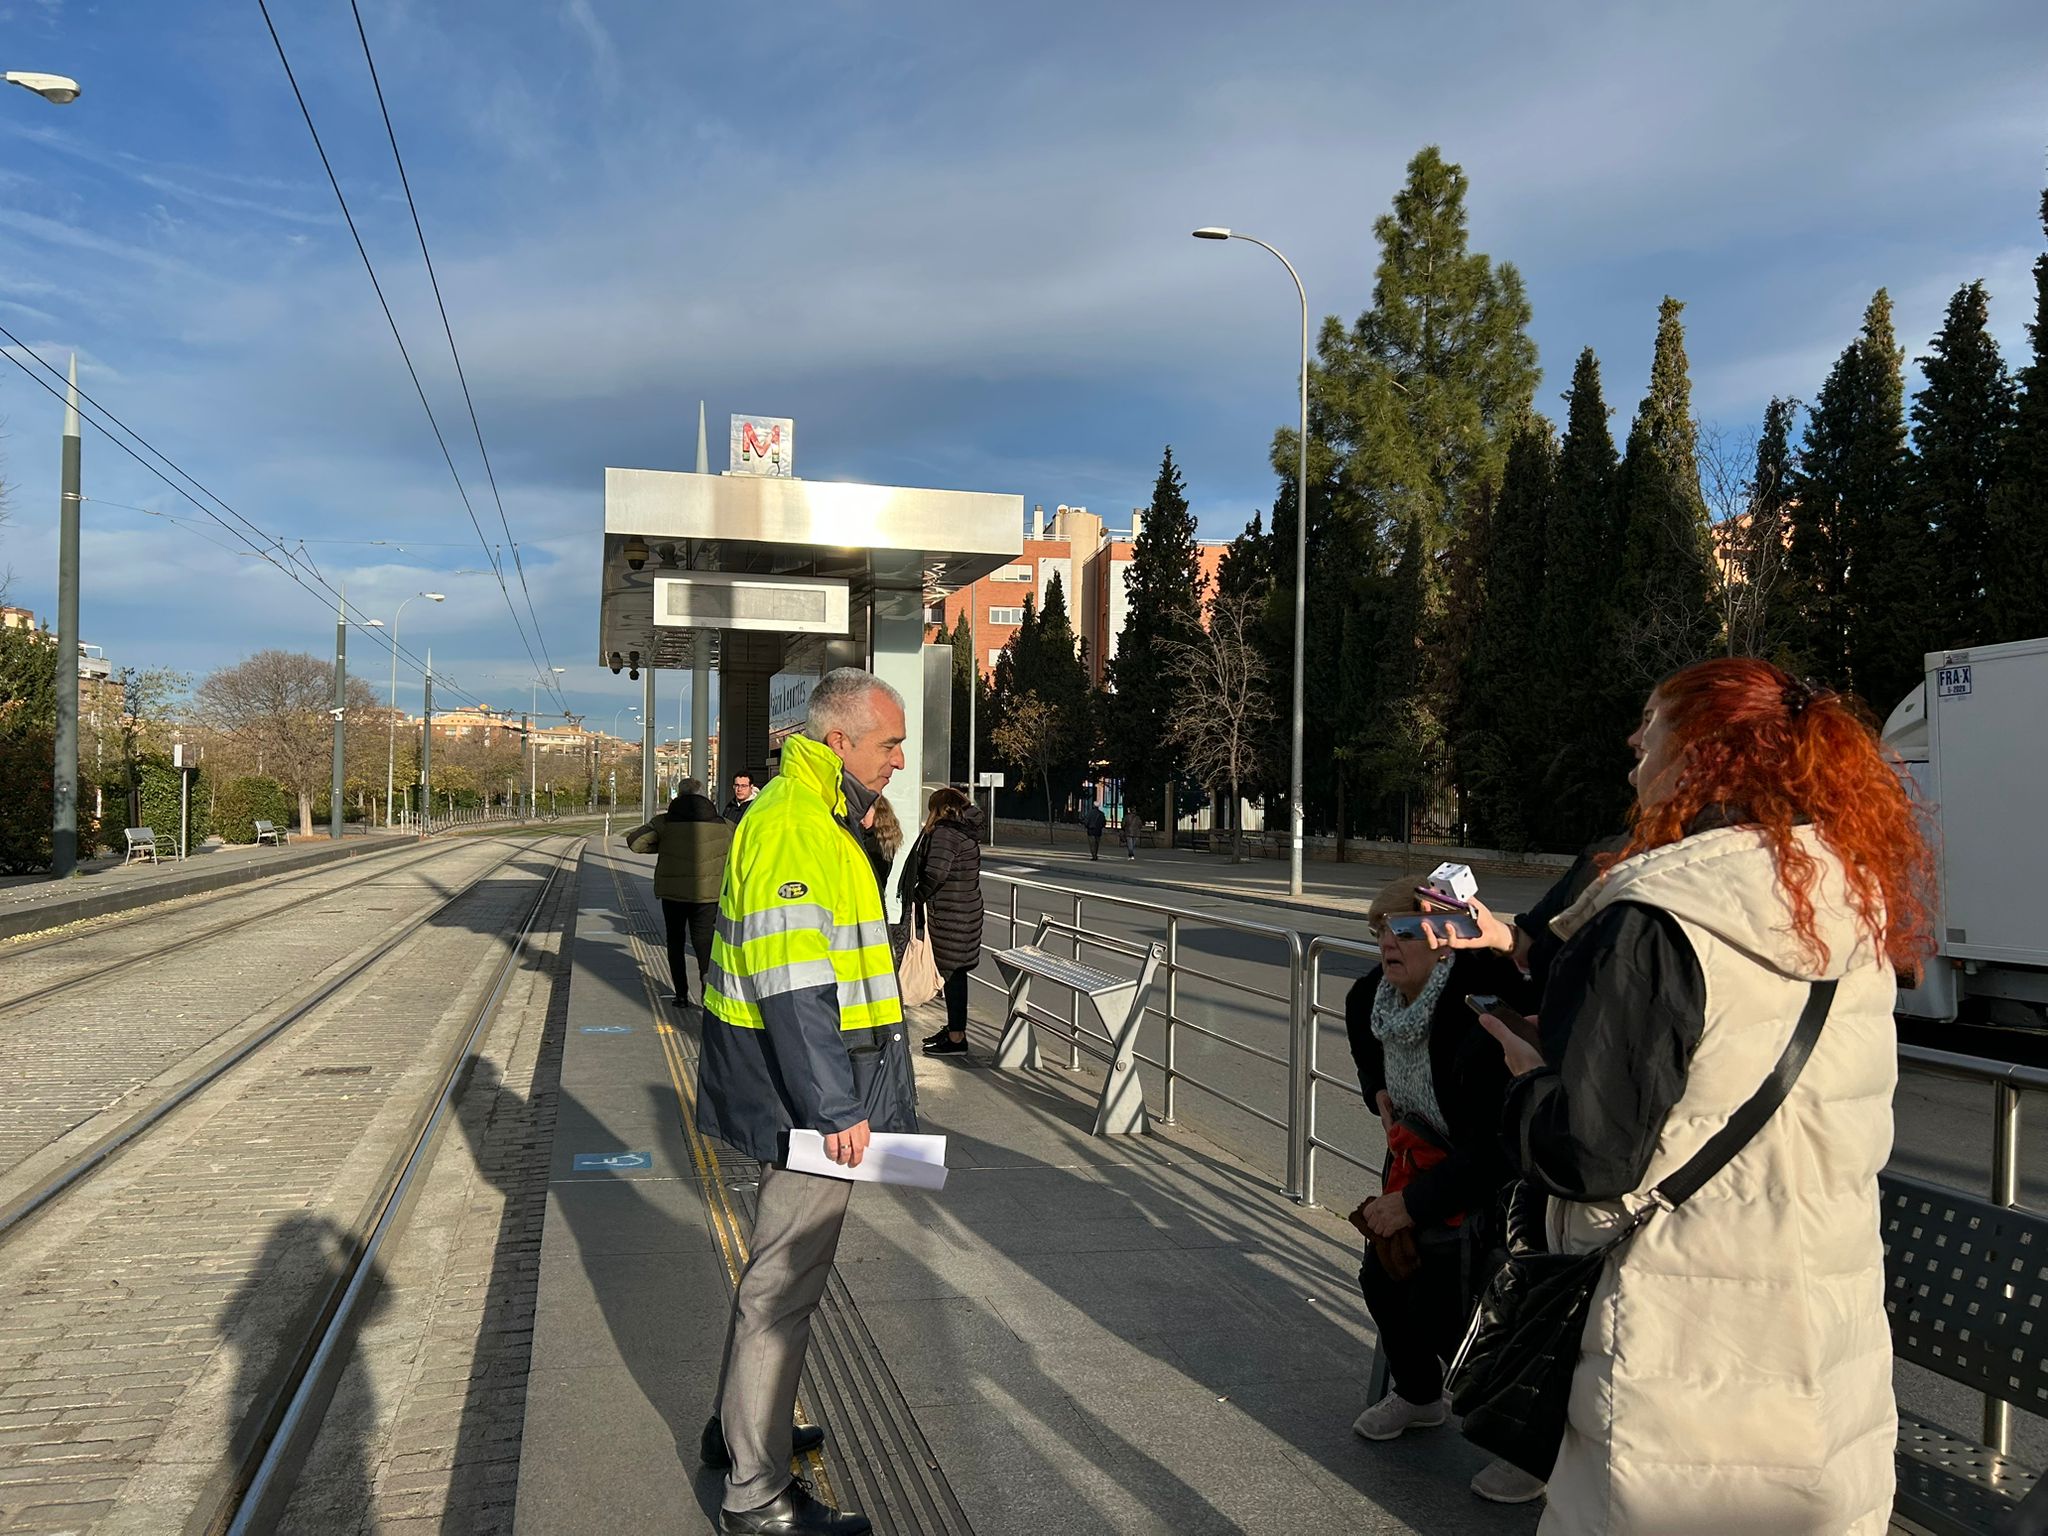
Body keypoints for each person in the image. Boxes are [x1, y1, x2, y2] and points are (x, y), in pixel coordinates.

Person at [1447, 658, 1932, 1534]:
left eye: (1651, 724)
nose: (1635, 746)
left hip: (1680, 1357)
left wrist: (1522, 1084)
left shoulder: (1656, 915)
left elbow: (1587, 1152)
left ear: (1706, 754)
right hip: (1826, 1360)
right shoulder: (1849, 902)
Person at [697, 669, 918, 1536]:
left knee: (771, 1278)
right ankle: (755, 1494)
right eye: (888, 743)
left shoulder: (812, 816)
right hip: (812, 1101)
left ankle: (734, 1431)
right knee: (783, 1287)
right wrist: (836, 1109)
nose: (899, 760)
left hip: (806, 1088)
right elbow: (795, 988)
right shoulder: (799, 827)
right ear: (839, 744)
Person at [1343, 877, 1538, 1506]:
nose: (1386, 945)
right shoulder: (1372, 996)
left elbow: (1495, 1147)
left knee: (1469, 1292)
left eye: (1402, 931)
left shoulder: (1473, 1012)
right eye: (1379, 932)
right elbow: (1358, 1027)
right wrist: (1378, 1089)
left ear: (1444, 943)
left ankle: (1525, 1447)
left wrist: (1413, 1205)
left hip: (1497, 1180)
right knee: (1381, 1271)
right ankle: (1422, 1396)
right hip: (1416, 1158)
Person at [623, 778, 733, 1008]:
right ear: (704, 796)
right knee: (704, 942)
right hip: (709, 894)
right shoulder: (724, 825)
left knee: (675, 941)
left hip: (673, 895)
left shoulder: (664, 823)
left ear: (679, 796)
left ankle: (681, 994)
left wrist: (663, 846)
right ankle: (707, 991)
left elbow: (635, 843)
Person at [900, 786, 985, 1055]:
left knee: (953, 974)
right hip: (965, 912)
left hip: (951, 915)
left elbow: (936, 873)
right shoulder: (964, 832)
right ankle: (954, 1030)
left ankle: (957, 1037)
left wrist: (917, 895)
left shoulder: (946, 834)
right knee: (955, 974)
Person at [858, 793, 906, 958]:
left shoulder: (871, 843)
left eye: (864, 813)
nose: (861, 819)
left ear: (876, 813)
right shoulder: (885, 841)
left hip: (864, 905)